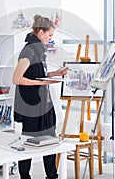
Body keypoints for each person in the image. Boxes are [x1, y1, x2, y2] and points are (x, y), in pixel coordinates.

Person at [12, 15, 68, 179]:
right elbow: (17, 78)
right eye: (49, 35)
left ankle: (52, 176)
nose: (51, 39)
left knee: (50, 143)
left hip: (45, 106)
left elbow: (37, 75)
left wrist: (55, 74)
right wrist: (41, 84)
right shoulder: (29, 51)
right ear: (41, 32)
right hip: (31, 107)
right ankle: (25, 177)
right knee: (28, 144)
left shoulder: (39, 50)